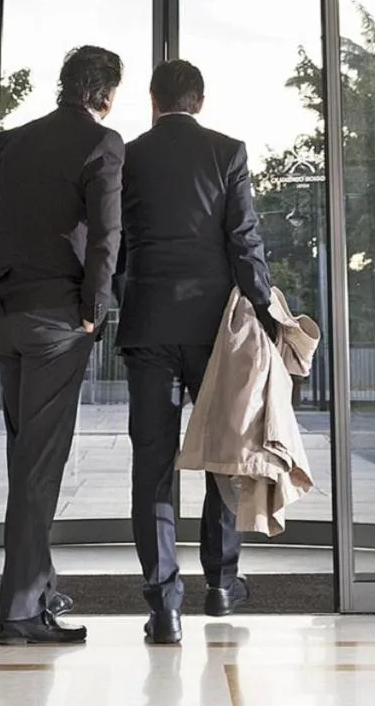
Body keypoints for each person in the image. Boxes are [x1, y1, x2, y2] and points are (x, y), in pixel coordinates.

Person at [0, 45, 125, 646]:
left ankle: (40, 587)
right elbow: (106, 236)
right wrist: (93, 310)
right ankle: (21, 612)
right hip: (58, 321)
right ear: (104, 94)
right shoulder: (102, 144)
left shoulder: (13, 141)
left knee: (27, 458)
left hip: (7, 316)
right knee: (40, 466)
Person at [116, 58, 278, 645]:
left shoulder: (128, 156)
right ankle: (221, 583)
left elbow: (114, 241)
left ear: (153, 101)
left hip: (147, 327)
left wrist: (115, 297)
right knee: (223, 456)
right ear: (200, 102)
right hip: (215, 330)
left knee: (152, 467)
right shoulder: (227, 152)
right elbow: (244, 239)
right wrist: (264, 308)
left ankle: (164, 607)